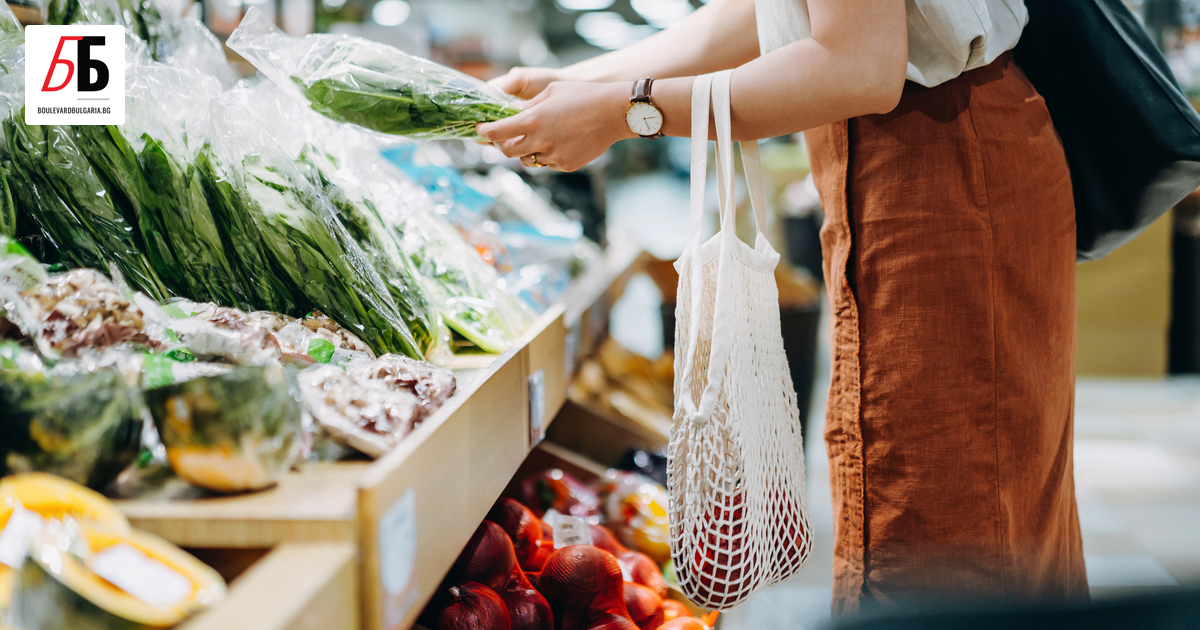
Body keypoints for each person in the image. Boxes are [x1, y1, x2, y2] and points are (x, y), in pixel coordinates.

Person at [477, 0, 1087, 615]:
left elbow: (858, 66)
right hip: (920, 155)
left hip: (937, 167)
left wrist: (625, 109)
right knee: (978, 514)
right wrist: (581, 83)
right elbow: (762, 12)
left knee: (951, 532)